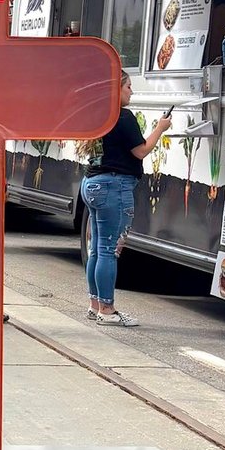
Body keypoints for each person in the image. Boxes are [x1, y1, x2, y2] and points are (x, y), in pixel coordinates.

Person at [82, 74, 170, 328]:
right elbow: (141, 151)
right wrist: (160, 128)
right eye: (128, 86)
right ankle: (107, 310)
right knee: (108, 250)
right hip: (114, 186)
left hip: (92, 183)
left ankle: (95, 305)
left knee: (97, 249)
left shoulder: (99, 115)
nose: (131, 91)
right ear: (116, 90)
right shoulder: (123, 117)